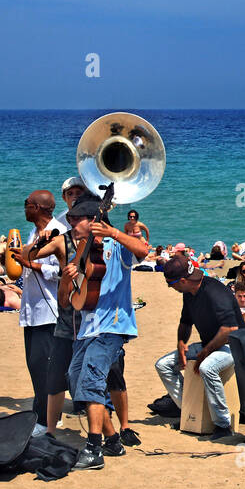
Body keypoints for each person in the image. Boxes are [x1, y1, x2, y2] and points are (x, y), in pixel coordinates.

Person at [62, 196, 148, 469]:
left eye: (77, 219)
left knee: (92, 380)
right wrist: (69, 277)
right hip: (87, 328)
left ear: (94, 222)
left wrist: (113, 232)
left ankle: (93, 449)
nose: (72, 223)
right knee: (76, 381)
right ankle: (112, 440)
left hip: (112, 326)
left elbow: (143, 251)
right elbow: (70, 300)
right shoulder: (82, 250)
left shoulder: (116, 246)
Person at [153, 254, 245, 441]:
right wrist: (181, 344)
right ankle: (187, 411)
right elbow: (185, 322)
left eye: (170, 284)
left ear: (183, 280)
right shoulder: (189, 293)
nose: (170, 288)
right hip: (209, 345)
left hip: (234, 346)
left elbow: (230, 329)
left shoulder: (214, 292)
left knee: (206, 367)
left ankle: (223, 424)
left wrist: (204, 353)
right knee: (163, 365)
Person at [14, 190, 68, 437]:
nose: (24, 207)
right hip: (32, 309)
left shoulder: (57, 232)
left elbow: (61, 271)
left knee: (44, 365)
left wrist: (31, 264)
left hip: (49, 310)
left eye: (27, 204)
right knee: (35, 365)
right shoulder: (35, 233)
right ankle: (41, 415)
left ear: (38, 207)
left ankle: (48, 419)